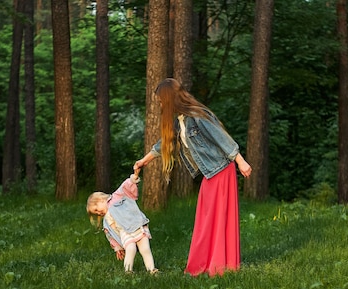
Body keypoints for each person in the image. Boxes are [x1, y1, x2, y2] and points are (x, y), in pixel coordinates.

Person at [133, 78, 252, 277]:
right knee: (206, 218)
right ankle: (205, 263)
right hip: (211, 172)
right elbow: (165, 142)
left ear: (170, 99)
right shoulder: (180, 121)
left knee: (216, 218)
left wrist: (241, 161)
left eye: (162, 101)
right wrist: (144, 160)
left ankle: (219, 265)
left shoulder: (197, 116)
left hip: (222, 169)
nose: (161, 105)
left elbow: (220, 137)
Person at [86, 169, 158, 274]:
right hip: (125, 233)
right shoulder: (106, 221)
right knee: (131, 249)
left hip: (136, 225)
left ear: (100, 200)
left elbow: (125, 187)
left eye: (97, 209)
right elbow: (110, 235)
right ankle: (128, 271)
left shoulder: (116, 197)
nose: (98, 213)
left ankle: (152, 270)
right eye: (96, 213)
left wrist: (133, 179)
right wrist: (117, 247)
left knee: (145, 248)